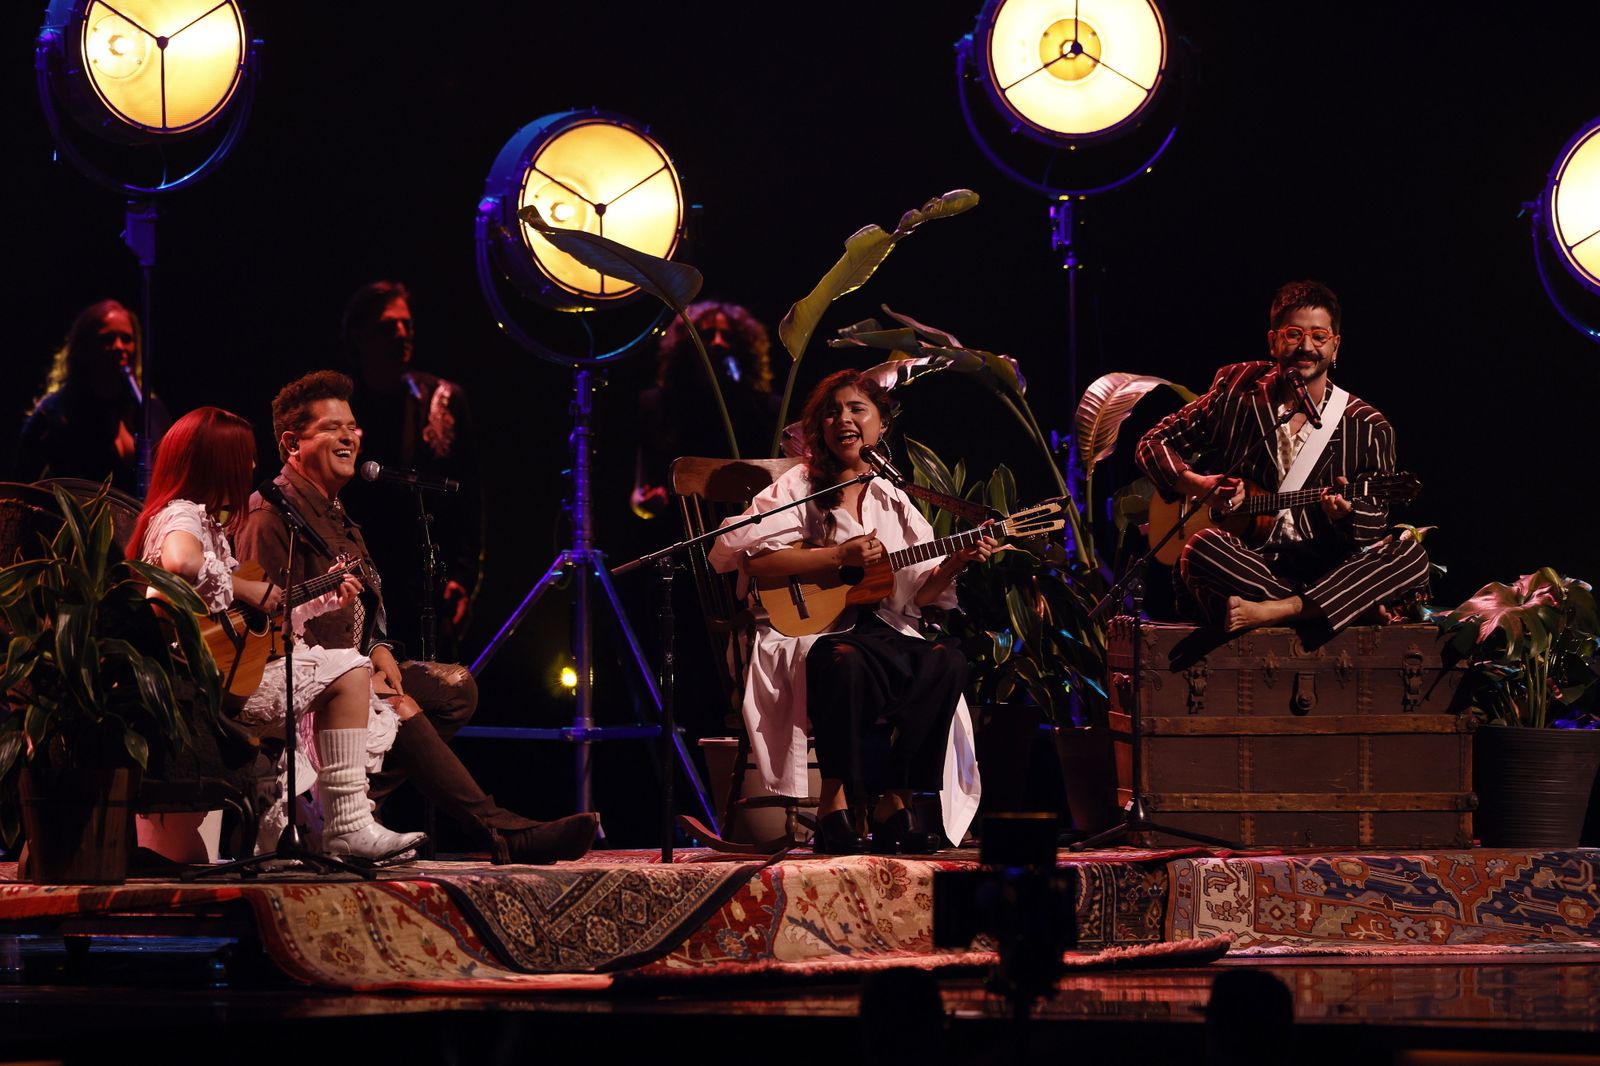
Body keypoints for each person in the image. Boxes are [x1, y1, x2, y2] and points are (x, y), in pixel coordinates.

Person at [235, 370, 598, 864]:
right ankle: (502, 833)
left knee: (456, 689)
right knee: (403, 707)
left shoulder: (338, 515)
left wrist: (380, 650)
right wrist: (354, 673)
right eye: (332, 428)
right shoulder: (270, 517)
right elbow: (267, 629)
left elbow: (365, 602)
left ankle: (342, 804)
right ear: (291, 444)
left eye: (352, 426)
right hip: (310, 687)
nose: (349, 437)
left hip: (354, 669)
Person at [707, 370, 993, 854]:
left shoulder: (896, 498)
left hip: (883, 629)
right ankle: (833, 807)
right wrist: (837, 557)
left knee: (948, 661)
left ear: (881, 427)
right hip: (814, 634)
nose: (844, 419)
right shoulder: (801, 485)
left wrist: (955, 564)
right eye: (833, 411)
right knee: (844, 659)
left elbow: (920, 596)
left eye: (857, 409)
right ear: (819, 428)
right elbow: (745, 554)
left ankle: (895, 801)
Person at [129, 406, 427, 863]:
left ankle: (291, 835)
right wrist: (246, 584)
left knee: (329, 671)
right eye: (243, 456)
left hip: (228, 671)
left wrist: (322, 602)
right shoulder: (181, 514)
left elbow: (249, 628)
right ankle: (348, 826)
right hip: (201, 685)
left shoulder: (210, 525)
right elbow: (180, 564)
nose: (252, 467)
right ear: (216, 461)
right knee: (348, 669)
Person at [1135, 280, 1429, 638]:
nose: (1306, 347)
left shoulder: (1369, 426)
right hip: (1250, 564)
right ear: (1273, 341)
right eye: (1293, 334)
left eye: (1319, 336)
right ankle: (1339, 608)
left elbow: (1374, 523)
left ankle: (1278, 611)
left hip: (1328, 568)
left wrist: (1347, 515)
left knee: (1407, 554)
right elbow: (1153, 443)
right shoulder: (1237, 389)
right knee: (1200, 548)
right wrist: (1200, 485)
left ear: (1336, 347)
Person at [336, 281, 482, 662]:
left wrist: (464, 579)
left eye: (407, 325)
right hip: (357, 583)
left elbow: (470, 498)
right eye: (388, 327)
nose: (402, 335)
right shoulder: (337, 409)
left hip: (426, 586)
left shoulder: (444, 400)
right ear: (359, 336)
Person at [632, 301, 783, 519]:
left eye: (728, 336)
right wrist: (645, 502)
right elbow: (641, 491)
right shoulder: (656, 405)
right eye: (707, 335)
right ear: (685, 346)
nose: (718, 343)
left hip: (750, 524)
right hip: (679, 526)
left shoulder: (768, 409)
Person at [14, 299, 167, 495]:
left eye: (126, 339)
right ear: (83, 348)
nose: (119, 347)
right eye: (107, 339)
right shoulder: (53, 415)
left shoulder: (150, 410)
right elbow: (22, 488)